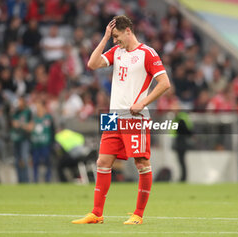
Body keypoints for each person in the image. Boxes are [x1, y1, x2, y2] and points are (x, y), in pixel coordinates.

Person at [71, 15, 170, 225]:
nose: (115, 41)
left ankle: (138, 215)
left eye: (116, 36)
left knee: (141, 162)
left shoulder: (147, 53)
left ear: (128, 31)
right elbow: (92, 63)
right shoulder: (116, 51)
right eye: (112, 37)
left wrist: (143, 103)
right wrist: (106, 37)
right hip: (113, 116)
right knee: (102, 161)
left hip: (135, 117)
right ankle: (97, 213)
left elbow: (164, 83)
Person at [28, 100, 55, 183]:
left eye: (39, 107)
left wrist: (52, 142)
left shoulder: (48, 118)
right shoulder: (34, 119)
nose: (38, 109)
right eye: (37, 108)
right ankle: (35, 179)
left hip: (45, 144)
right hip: (35, 144)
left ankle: (48, 178)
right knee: (35, 162)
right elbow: (30, 129)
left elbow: (52, 130)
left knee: (47, 161)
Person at [10, 97, 32, 183]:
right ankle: (20, 181)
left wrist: (19, 124)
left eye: (20, 101)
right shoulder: (15, 113)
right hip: (16, 138)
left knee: (24, 159)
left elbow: (30, 127)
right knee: (17, 160)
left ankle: (26, 180)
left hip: (25, 138)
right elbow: (12, 124)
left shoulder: (28, 112)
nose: (18, 103)